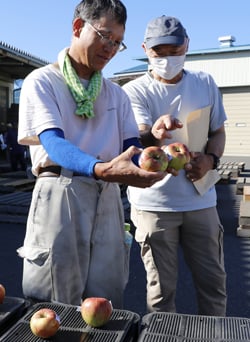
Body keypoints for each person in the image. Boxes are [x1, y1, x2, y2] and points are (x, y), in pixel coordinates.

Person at [16, 1, 180, 308]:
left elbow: (132, 151)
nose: (111, 48)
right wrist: (100, 168)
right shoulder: (44, 81)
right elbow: (53, 142)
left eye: (118, 42)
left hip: (107, 196)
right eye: (105, 36)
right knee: (54, 296)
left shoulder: (115, 94)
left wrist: (159, 159)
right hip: (60, 191)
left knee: (105, 296)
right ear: (78, 28)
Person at [123, 15, 227, 316]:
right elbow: (140, 136)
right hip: (154, 206)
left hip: (201, 200)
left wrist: (210, 160)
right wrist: (155, 132)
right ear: (145, 49)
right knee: (161, 292)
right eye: (159, 52)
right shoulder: (135, 90)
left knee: (214, 284)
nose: (168, 58)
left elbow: (218, 131)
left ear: (187, 46)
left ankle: (216, 336)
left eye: (175, 50)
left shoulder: (205, 82)